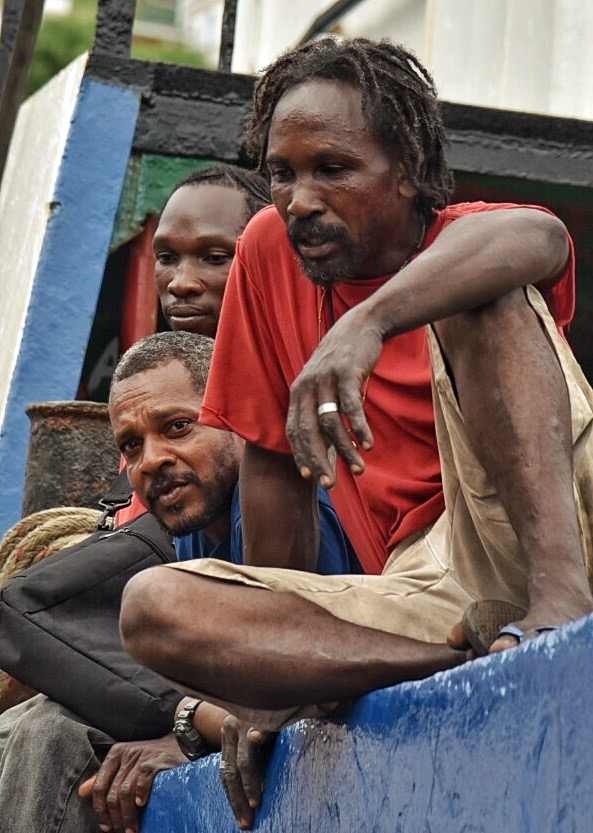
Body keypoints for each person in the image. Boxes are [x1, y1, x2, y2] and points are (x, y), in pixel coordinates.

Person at [117, 37, 593, 829]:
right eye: (281, 172)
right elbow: (273, 475)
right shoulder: (270, 252)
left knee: (488, 293)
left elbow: (537, 239)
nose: (300, 198)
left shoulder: (465, 234)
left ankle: (561, 607)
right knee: (152, 605)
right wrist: (270, 676)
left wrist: (364, 323)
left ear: (406, 170)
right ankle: (461, 661)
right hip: (436, 590)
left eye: (332, 169)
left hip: (563, 518)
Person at [0, 164, 358, 833]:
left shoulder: (289, 444)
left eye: (215, 257)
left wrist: (193, 725)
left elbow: (286, 651)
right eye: (166, 257)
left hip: (301, 666)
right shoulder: (191, 501)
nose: (182, 280)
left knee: (33, 650)